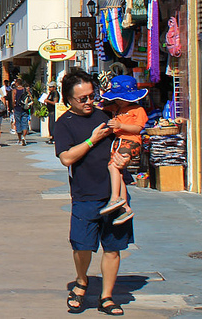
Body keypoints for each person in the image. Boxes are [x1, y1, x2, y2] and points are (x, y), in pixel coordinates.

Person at [55, 68, 131, 316]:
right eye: (83, 98)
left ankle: (106, 297)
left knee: (112, 247)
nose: (89, 102)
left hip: (115, 194)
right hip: (85, 194)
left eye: (91, 96)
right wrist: (92, 140)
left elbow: (125, 145)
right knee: (82, 246)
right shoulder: (63, 124)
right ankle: (81, 281)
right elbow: (66, 158)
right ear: (69, 99)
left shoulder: (107, 116)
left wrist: (126, 158)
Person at [98, 75, 148, 226]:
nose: (118, 101)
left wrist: (120, 126)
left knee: (113, 166)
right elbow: (101, 106)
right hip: (118, 141)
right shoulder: (117, 108)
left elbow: (138, 128)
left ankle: (115, 198)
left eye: (121, 98)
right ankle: (125, 206)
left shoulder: (137, 110)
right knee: (117, 171)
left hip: (130, 141)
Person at [12, 79, 33, 146]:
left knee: (18, 123)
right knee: (24, 123)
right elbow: (31, 98)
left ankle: (20, 139)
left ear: (17, 83)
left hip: (17, 108)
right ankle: (24, 137)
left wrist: (13, 107)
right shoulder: (25, 90)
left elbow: (13, 100)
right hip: (25, 108)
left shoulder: (14, 90)